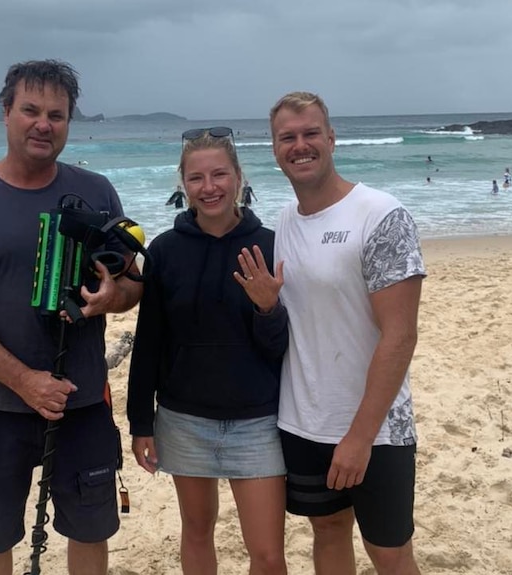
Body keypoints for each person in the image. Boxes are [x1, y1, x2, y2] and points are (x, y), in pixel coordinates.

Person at [0, 60, 143, 575]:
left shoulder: (98, 191)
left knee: (90, 529)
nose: (44, 124)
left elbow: (132, 284)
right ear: (6, 113)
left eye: (57, 115)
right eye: (31, 110)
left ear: (69, 122)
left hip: (81, 400)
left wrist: (113, 297)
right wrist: (24, 381)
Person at [269, 91, 426, 575]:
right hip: (304, 422)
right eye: (287, 137)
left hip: (377, 430)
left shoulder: (380, 214)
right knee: (329, 532)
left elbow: (400, 337)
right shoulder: (281, 222)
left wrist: (359, 437)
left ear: (332, 138)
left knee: (390, 552)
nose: (300, 145)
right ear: (275, 149)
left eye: (311, 133)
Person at [127, 127, 289, 574]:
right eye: (196, 178)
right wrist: (140, 422)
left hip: (258, 420)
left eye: (220, 174)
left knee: (268, 553)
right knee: (197, 532)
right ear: (184, 184)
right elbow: (150, 342)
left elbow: (283, 349)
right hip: (184, 418)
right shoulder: (164, 251)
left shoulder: (272, 246)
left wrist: (268, 308)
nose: (209, 187)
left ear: (238, 177)